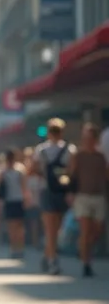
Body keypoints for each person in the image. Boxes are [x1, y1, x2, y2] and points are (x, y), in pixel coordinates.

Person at [33, 118, 76, 276]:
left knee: (52, 228)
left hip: (47, 190)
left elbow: (34, 169)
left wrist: (46, 174)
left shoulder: (40, 150)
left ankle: (48, 255)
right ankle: (53, 260)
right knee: (54, 228)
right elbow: (72, 172)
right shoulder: (70, 149)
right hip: (61, 191)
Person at [70, 123, 109, 277]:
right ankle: (86, 262)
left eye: (90, 138)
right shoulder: (78, 156)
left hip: (99, 196)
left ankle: (84, 249)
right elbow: (72, 176)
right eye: (85, 138)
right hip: (83, 196)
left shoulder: (101, 157)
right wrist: (71, 193)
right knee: (85, 230)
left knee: (97, 230)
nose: (87, 141)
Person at [0, 149, 26, 258]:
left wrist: (25, 199)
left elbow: (24, 185)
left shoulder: (20, 170)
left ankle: (20, 247)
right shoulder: (3, 171)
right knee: (11, 226)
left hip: (18, 199)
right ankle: (13, 248)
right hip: (8, 200)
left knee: (19, 226)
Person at [23, 147, 43, 249]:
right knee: (34, 222)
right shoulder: (26, 176)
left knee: (40, 222)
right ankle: (34, 241)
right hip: (31, 202)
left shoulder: (40, 175)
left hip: (40, 201)